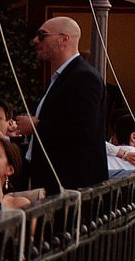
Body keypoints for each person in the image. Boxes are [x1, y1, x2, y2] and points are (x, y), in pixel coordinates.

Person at [12, 17, 108, 193]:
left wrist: (36, 126)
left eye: (42, 36)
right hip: (53, 181)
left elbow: (83, 131)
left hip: (70, 185)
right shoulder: (62, 76)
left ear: (64, 39)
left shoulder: (84, 77)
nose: (35, 41)